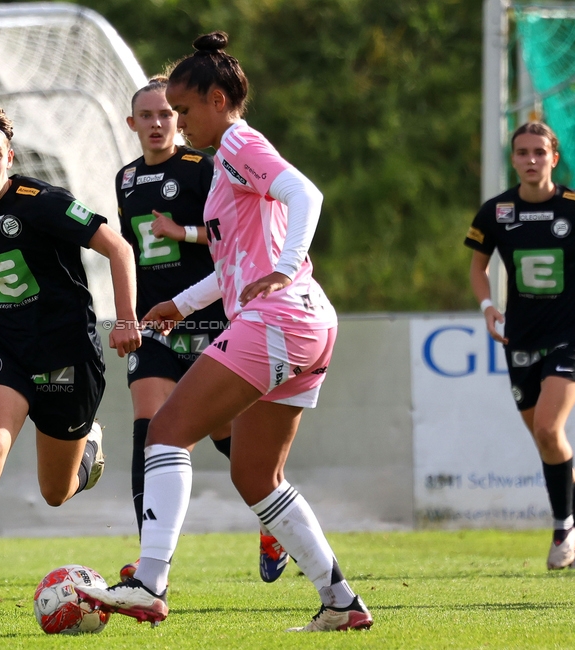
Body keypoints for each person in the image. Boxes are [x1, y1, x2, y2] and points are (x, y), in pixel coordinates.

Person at [78, 32, 373, 632]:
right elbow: (235, 262)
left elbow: (304, 193)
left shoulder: (238, 141)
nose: (179, 123)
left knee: (165, 432)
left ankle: (148, 581)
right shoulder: (224, 164)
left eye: (183, 111)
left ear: (218, 100)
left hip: (281, 316)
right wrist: (181, 304)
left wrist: (285, 268)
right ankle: (341, 602)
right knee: (256, 475)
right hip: (311, 320)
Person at [0, 108, 141, 626]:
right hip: (5, 351)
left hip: (67, 354)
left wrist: (127, 319)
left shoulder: (43, 203)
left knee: (55, 494)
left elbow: (118, 248)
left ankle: (89, 448)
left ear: (10, 157)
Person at [116, 76, 289, 583]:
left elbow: (230, 239)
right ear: (132, 123)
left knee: (226, 435)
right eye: (146, 116)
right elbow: (129, 251)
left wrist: (182, 232)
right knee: (149, 428)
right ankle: (149, 559)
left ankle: (272, 515)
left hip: (209, 314)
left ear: (179, 117)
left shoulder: (204, 167)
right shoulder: (125, 179)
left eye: (166, 114)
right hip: (157, 319)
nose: (157, 123)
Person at [464, 121, 575, 570]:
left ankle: (564, 529)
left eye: (540, 152)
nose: (531, 160)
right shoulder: (496, 212)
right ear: (513, 159)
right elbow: (479, 266)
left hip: (572, 334)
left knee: (550, 430)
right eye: (522, 152)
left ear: (554, 158)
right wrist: (487, 306)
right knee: (548, 441)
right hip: (520, 335)